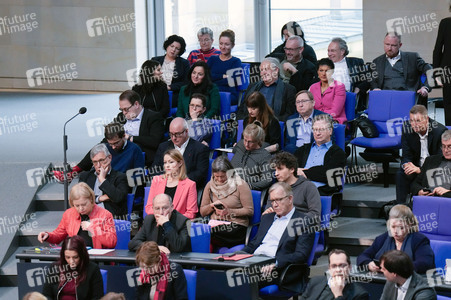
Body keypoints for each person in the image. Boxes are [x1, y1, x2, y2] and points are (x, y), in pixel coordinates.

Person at [241, 182, 315, 286]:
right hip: (255, 261)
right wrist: (238, 255)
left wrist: (276, 263)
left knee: (239, 281)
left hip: (279, 267)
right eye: (272, 201)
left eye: (279, 200)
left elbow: (301, 255)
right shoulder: (267, 218)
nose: (275, 205)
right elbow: (253, 244)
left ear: (290, 199)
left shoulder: (303, 221)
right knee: (221, 274)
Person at [356, 204, 435, 274]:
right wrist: (368, 264)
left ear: (409, 224)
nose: (396, 231)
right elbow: (363, 256)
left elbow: (424, 263)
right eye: (393, 227)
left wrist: (397, 269)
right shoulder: (382, 238)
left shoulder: (419, 240)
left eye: (401, 227)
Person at [37, 182, 117, 249]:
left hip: (97, 259)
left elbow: (112, 242)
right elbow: (58, 235)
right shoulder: (69, 214)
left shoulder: (105, 214)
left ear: (91, 200)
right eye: (77, 206)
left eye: (84, 204)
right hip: (75, 257)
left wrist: (93, 228)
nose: (81, 208)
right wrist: (48, 236)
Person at [396, 105, 447, 203]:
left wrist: (420, 170)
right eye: (411, 121)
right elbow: (406, 155)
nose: (414, 125)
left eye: (418, 121)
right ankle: (401, 209)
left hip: (433, 172)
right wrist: (407, 165)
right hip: (415, 168)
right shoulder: (407, 128)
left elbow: (440, 162)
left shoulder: (439, 131)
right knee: (400, 174)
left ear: (426, 119)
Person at [200, 156, 253, 247]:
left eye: (223, 176)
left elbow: (249, 211)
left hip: (236, 225)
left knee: (207, 233)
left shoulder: (241, 184)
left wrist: (229, 211)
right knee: (194, 231)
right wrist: (212, 206)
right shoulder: (209, 185)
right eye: (217, 176)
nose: (220, 179)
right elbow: (202, 212)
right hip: (216, 223)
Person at [370, 32, 432, 105]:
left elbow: (430, 71)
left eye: (393, 45)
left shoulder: (412, 58)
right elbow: (373, 80)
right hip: (385, 100)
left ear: (400, 45)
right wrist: (375, 88)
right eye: (387, 44)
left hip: (407, 99)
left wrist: (425, 87)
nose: (389, 48)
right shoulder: (377, 61)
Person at [294, 114, 346, 195]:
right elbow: (291, 168)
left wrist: (305, 172)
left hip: (321, 192)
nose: (317, 133)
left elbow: (329, 174)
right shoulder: (303, 149)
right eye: (315, 130)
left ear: (330, 131)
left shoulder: (338, 153)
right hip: (297, 188)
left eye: (321, 129)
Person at [151, 118, 209, 190]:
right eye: (171, 134)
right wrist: (167, 180)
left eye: (177, 134)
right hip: (165, 186)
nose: (174, 138)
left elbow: (200, 174)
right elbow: (155, 170)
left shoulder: (200, 149)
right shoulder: (163, 147)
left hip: (187, 188)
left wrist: (179, 181)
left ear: (186, 131)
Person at [262, 152, 320, 221]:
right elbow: (269, 210)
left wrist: (290, 219)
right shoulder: (275, 188)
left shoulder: (308, 186)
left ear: (292, 169)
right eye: (275, 170)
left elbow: (315, 215)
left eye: (280, 169)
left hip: (298, 226)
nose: (276, 174)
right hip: (278, 223)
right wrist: (266, 214)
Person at [42, 236, 104, 300]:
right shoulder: (55, 268)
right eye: (68, 257)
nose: (72, 261)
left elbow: (97, 297)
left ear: (82, 255)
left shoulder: (92, 269)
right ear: (63, 256)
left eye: (75, 257)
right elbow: (46, 295)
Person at [236, 57, 296, 122]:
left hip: (272, 125)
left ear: (276, 70)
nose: (263, 73)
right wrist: (242, 122)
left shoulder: (289, 89)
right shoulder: (252, 87)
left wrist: (270, 122)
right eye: (261, 70)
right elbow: (242, 109)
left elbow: (289, 114)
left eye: (266, 69)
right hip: (250, 124)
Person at [78, 144, 129, 219]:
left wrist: (102, 180)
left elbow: (118, 198)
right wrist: (99, 198)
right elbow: (79, 198)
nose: (98, 165)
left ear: (109, 158)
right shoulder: (85, 176)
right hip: (87, 217)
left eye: (101, 160)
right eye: (95, 162)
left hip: (110, 218)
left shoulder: (120, 177)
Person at [146, 149, 198, 219]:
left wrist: (170, 218)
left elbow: (191, 213)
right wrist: (161, 217)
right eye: (165, 162)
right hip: (156, 220)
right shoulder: (156, 180)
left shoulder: (190, 185)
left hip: (176, 224)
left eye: (171, 162)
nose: (167, 166)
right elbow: (149, 207)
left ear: (180, 163)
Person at [300, 249, 369, 300]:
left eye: (342, 265)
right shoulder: (315, 281)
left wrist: (338, 295)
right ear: (329, 268)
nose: (338, 270)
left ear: (350, 267)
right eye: (334, 266)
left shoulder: (360, 294)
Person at [327, 37, 370, 111]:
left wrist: (358, 89)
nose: (329, 54)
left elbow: (367, 79)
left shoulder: (355, 62)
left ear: (342, 51)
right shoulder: (323, 64)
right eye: (328, 51)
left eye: (332, 51)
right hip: (329, 100)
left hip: (349, 99)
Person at [230, 123, 273, 191]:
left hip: (245, 190)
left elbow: (267, 180)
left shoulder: (265, 156)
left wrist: (249, 186)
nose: (246, 144)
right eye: (245, 140)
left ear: (258, 140)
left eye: (250, 142)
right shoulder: (240, 144)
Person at [151, 35, 190, 107]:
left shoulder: (184, 63)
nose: (173, 50)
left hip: (173, 94)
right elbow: (149, 77)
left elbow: (186, 82)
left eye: (177, 48)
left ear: (180, 51)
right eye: (172, 46)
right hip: (155, 93)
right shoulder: (155, 60)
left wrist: (169, 87)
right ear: (167, 46)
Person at [411, 130, 451, 197]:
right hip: (426, 199)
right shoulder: (430, 160)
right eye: (443, 146)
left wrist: (447, 192)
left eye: (449, 147)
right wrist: (419, 191)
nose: (445, 150)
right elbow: (415, 184)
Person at [207, 29, 242, 104]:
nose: (223, 47)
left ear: (233, 45)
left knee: (212, 99)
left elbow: (232, 81)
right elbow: (206, 77)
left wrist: (214, 78)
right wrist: (223, 76)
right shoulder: (212, 59)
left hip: (229, 94)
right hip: (211, 92)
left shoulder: (236, 61)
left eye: (226, 44)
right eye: (221, 43)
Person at [309, 58, 347, 124]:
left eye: (327, 71)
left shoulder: (339, 86)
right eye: (321, 70)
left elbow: (335, 112)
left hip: (334, 120)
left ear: (332, 72)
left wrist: (318, 118)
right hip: (315, 121)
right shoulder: (313, 87)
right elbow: (310, 108)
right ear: (317, 72)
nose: (324, 74)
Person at [433, 15, 451, 126]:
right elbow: (438, 49)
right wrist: (437, 75)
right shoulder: (445, 23)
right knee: (448, 104)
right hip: (447, 71)